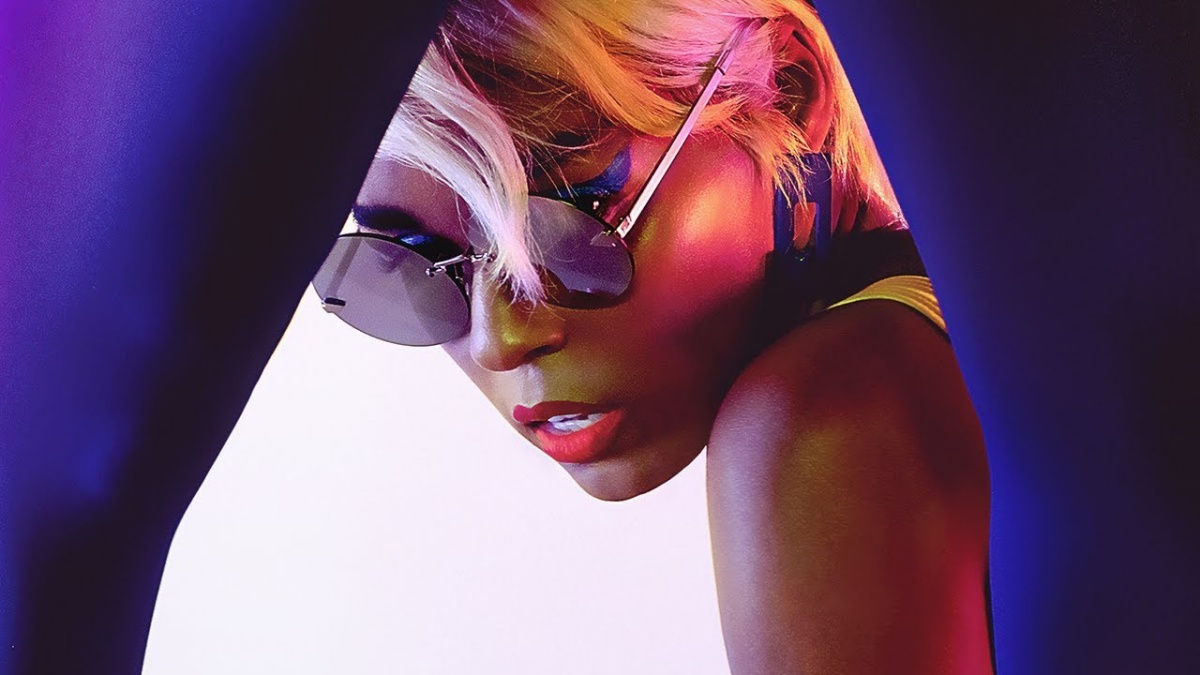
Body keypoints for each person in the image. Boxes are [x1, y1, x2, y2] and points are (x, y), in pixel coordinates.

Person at [309, 0, 993, 672]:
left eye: (571, 219)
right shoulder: (966, 330)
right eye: (413, 256)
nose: (499, 340)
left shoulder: (822, 417)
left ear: (785, 93)